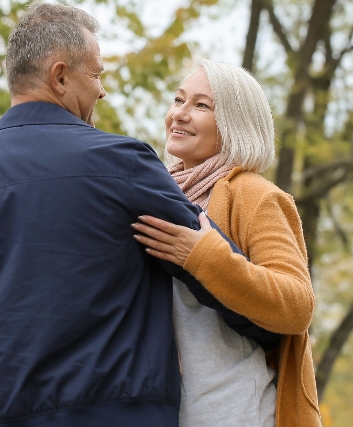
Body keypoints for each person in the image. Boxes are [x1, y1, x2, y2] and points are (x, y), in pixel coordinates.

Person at [0, 4, 277, 427]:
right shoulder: (125, 164)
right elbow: (233, 293)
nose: (102, 91)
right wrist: (271, 334)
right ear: (60, 76)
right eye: (96, 74)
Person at [132, 60, 321, 427]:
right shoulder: (157, 193)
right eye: (178, 100)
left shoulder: (256, 196)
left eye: (201, 106)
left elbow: (297, 305)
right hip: (162, 409)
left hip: (232, 410)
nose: (179, 115)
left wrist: (202, 256)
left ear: (235, 122)